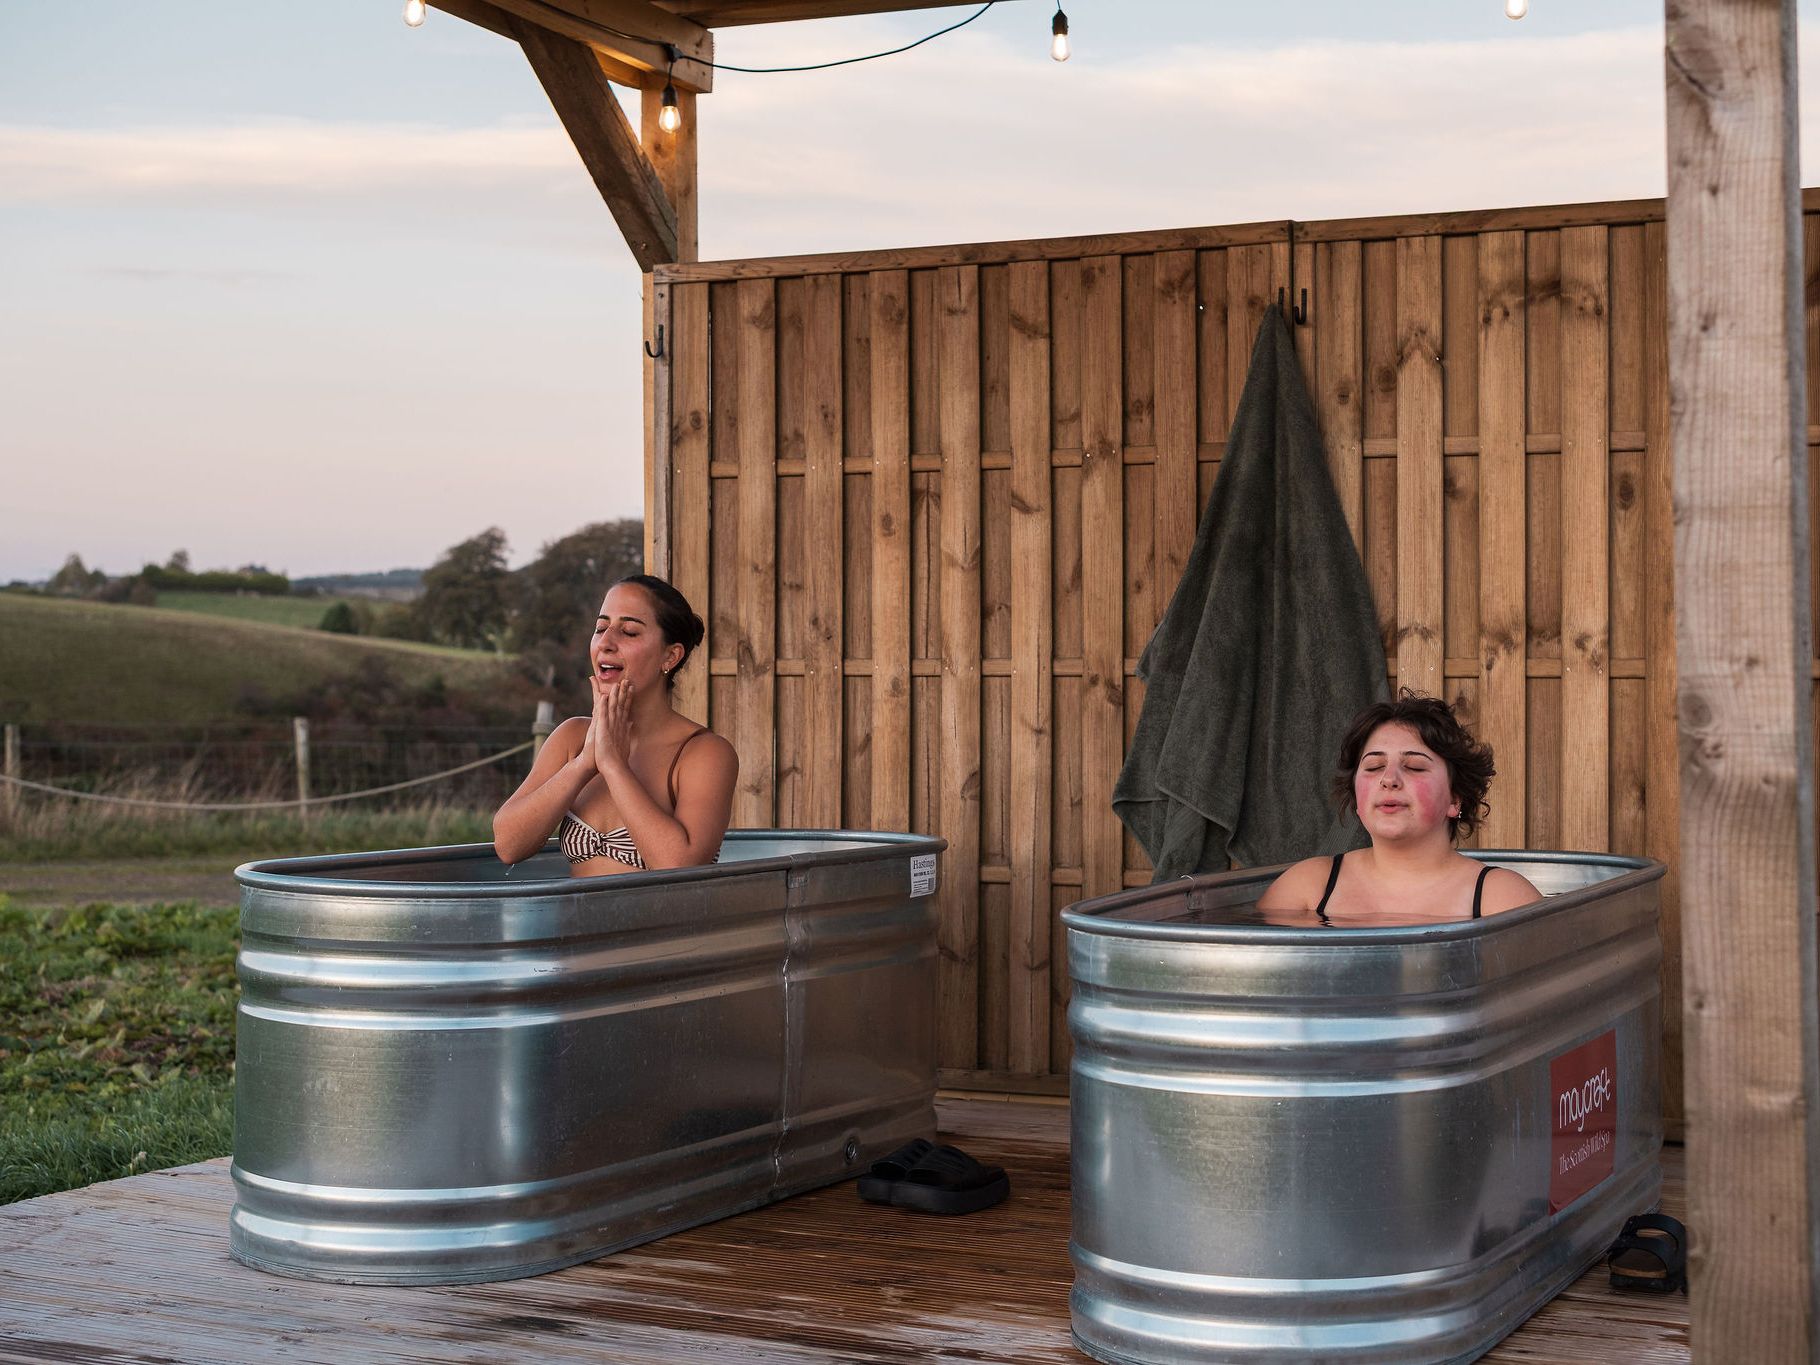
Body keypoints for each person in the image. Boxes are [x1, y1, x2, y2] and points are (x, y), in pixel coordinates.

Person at [493, 574, 737, 875]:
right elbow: (508, 845)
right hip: (577, 923)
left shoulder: (704, 753)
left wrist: (613, 766)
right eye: (600, 628)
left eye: (629, 632)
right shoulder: (573, 737)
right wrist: (584, 763)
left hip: (666, 923)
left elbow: (680, 869)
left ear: (670, 656)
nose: (606, 643)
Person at [1257, 692, 1540, 925]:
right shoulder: (1306, 888)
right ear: (1357, 797)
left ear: (1455, 799)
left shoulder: (1502, 899)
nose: (1389, 779)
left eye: (1414, 767)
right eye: (1374, 766)